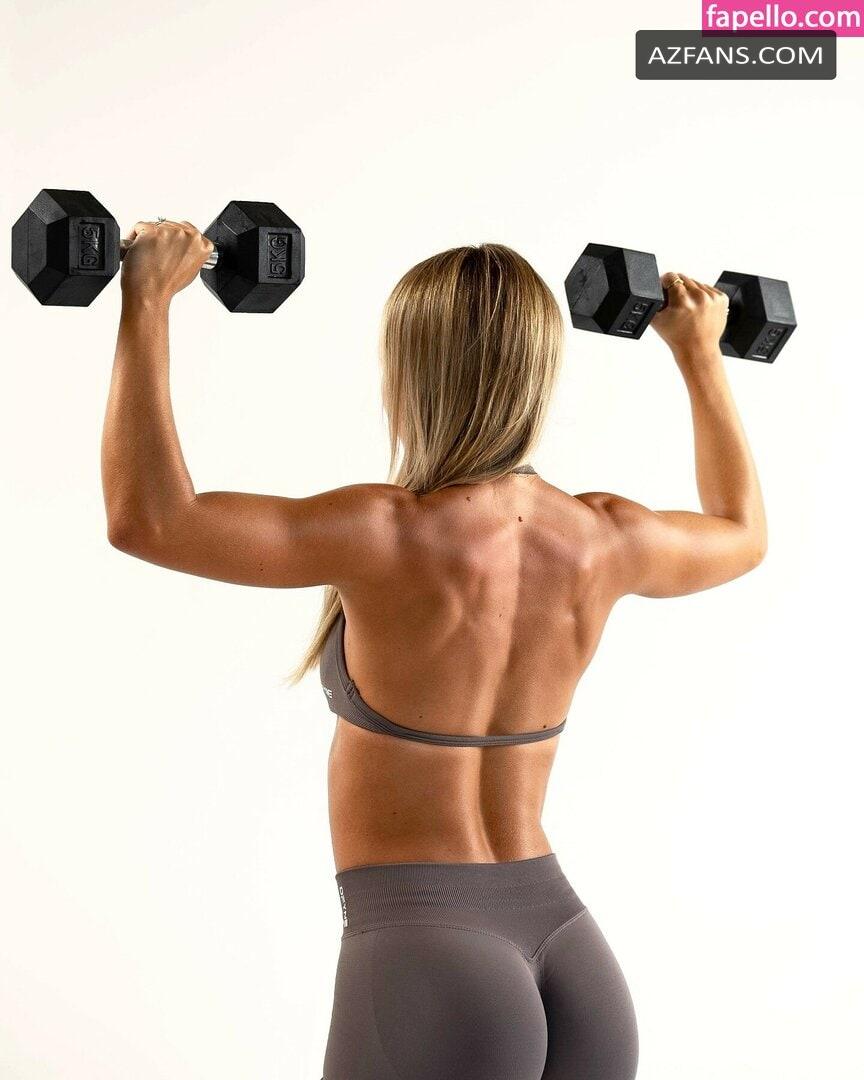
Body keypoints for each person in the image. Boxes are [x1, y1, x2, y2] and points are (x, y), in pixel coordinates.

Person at [102, 220, 766, 1080]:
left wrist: (147, 299)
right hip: (575, 958)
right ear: (539, 372)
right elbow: (742, 533)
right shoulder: (607, 536)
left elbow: (150, 520)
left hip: (431, 958)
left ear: (409, 371)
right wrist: (700, 355)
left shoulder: (383, 532)